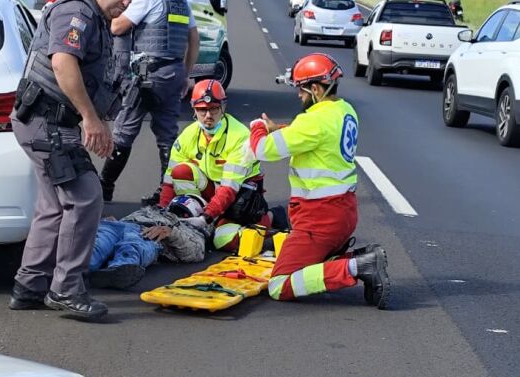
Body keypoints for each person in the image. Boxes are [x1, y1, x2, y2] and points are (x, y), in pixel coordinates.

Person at [8, 0, 142, 321]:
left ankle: (29, 286)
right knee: (86, 198)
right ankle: (66, 289)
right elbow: (62, 63)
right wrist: (90, 119)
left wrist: (98, 118)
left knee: (54, 205)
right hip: (47, 122)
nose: (126, 3)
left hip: (49, 122)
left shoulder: (97, 20)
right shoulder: (77, 12)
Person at [247, 53, 391, 309]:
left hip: (318, 220)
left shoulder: (312, 120)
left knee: (279, 284)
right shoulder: (344, 110)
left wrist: (258, 126)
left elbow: (262, 151)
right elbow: (311, 136)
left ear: (316, 89)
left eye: (301, 91)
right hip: (342, 213)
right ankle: (360, 261)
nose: (299, 96)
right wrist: (278, 128)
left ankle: (358, 266)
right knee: (307, 266)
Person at [99, 0, 200, 203]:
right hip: (174, 73)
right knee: (167, 135)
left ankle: (105, 187)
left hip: (148, 74)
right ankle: (166, 192)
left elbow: (117, 27)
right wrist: (186, 75)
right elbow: (194, 38)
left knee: (124, 131)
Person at [157, 80, 273, 233]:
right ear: (194, 109)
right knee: (180, 171)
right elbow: (169, 181)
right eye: (202, 110)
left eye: (214, 109)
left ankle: (270, 216)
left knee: (224, 240)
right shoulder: (188, 135)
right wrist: (162, 213)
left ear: (223, 108)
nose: (208, 116)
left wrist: (206, 218)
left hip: (239, 195)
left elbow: (229, 188)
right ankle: (200, 217)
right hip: (212, 188)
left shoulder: (240, 137)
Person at [88, 201, 210, 289]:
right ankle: (79, 266)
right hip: (120, 224)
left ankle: (117, 271)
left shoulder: (192, 229)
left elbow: (195, 252)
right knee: (98, 244)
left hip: (147, 233)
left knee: (133, 247)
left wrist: (172, 233)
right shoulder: (153, 209)